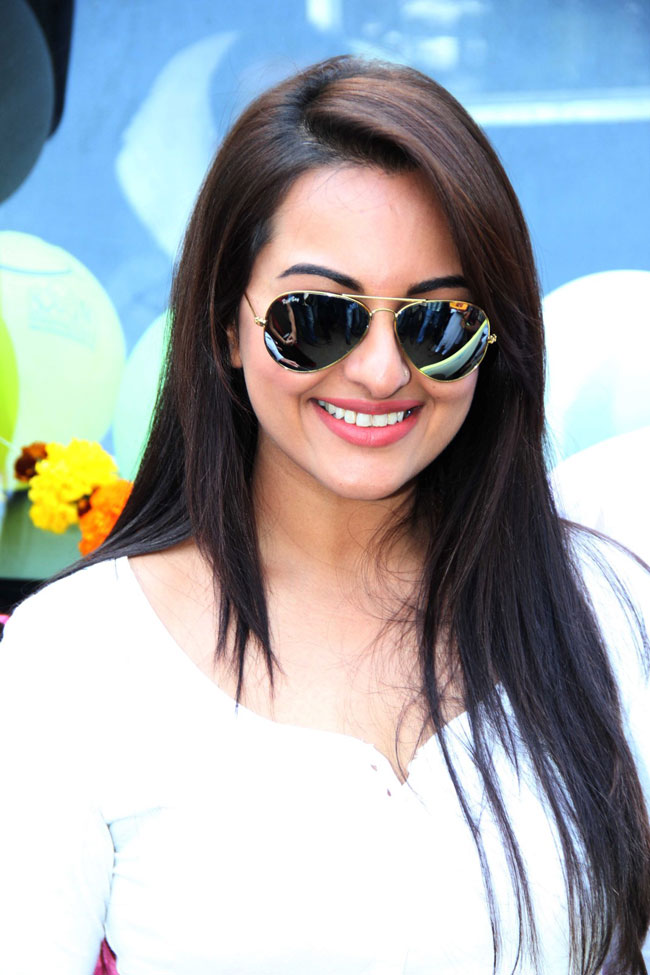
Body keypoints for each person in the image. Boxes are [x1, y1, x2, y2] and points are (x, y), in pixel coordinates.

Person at [0, 55, 649, 975]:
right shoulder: (75, 654)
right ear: (224, 323)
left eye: (435, 323)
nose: (382, 371)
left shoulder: (606, 605)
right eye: (319, 317)